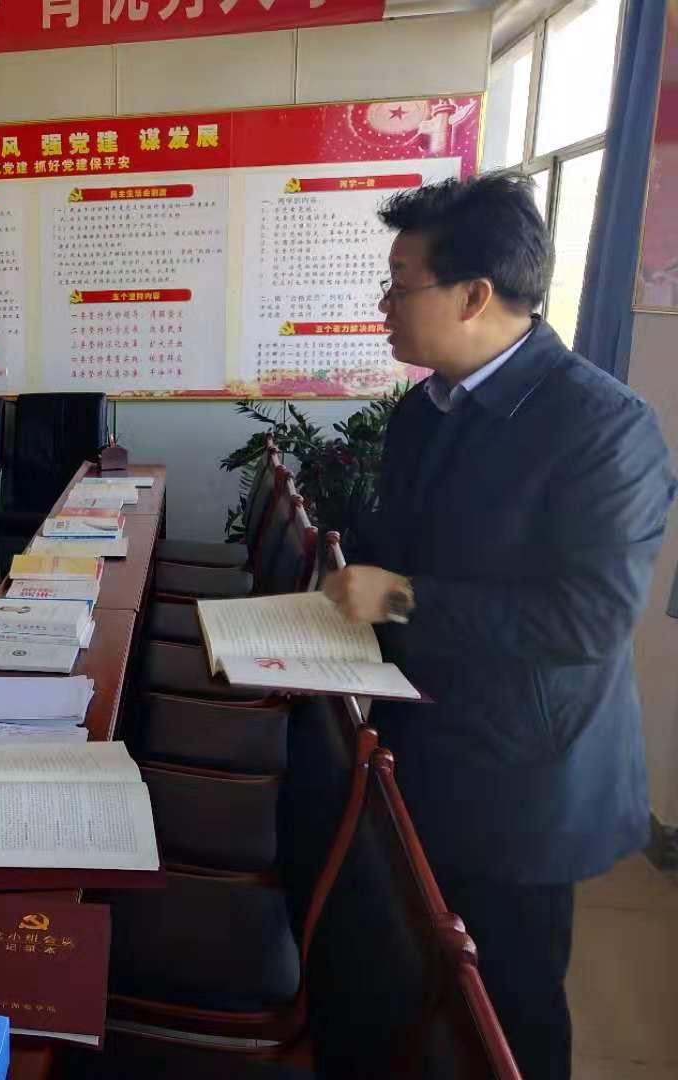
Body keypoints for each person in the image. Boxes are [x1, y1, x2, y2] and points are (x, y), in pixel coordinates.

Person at [323, 174, 675, 1080]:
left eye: (401, 285)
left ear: (473, 295)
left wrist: (399, 599)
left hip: (521, 777)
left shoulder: (603, 429)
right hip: (420, 735)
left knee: (507, 1012)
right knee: (406, 967)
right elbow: (398, 549)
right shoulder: (424, 409)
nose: (384, 306)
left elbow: (588, 618)